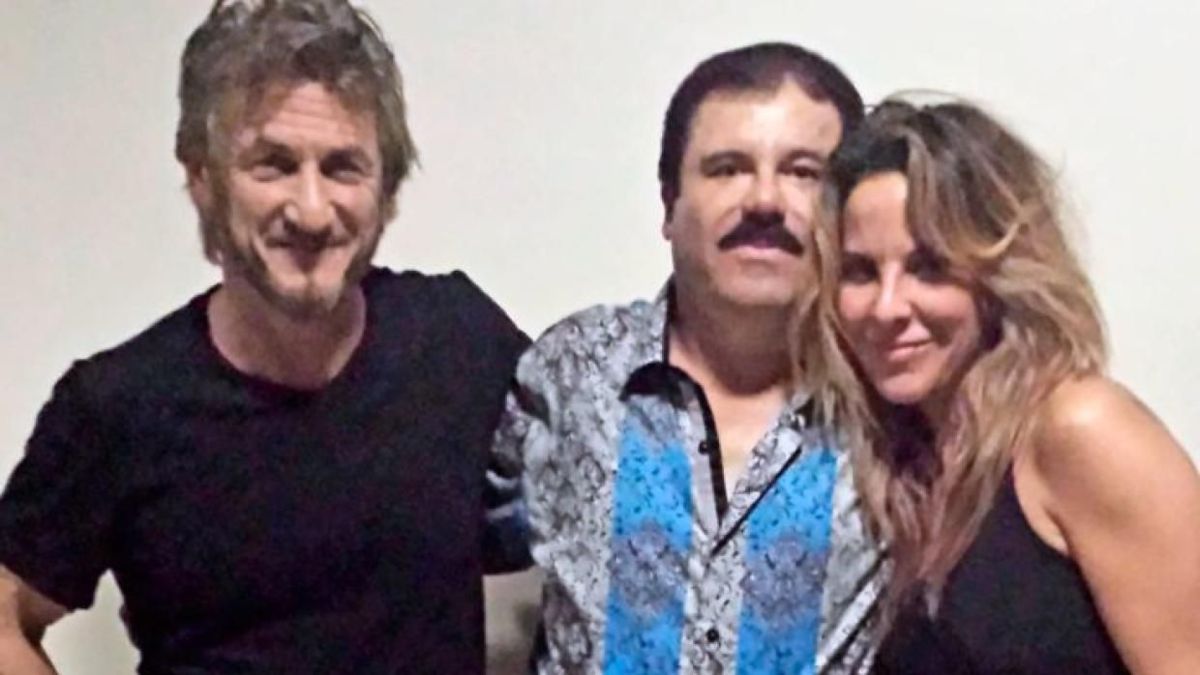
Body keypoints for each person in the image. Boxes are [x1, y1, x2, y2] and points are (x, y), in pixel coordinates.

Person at [0, 1, 528, 672]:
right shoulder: (116, 407)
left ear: (387, 189)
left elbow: (609, 474)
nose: (311, 210)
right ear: (202, 177)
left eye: (343, 167)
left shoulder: (459, 340)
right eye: (273, 164)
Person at [489, 42, 883, 674]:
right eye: (727, 169)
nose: (764, 201)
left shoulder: (896, 401)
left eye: (803, 173)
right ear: (669, 204)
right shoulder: (572, 373)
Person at [802, 96, 1200, 674]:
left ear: (999, 273)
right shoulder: (906, 472)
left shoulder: (1080, 430)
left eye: (929, 267)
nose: (887, 308)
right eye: (861, 272)